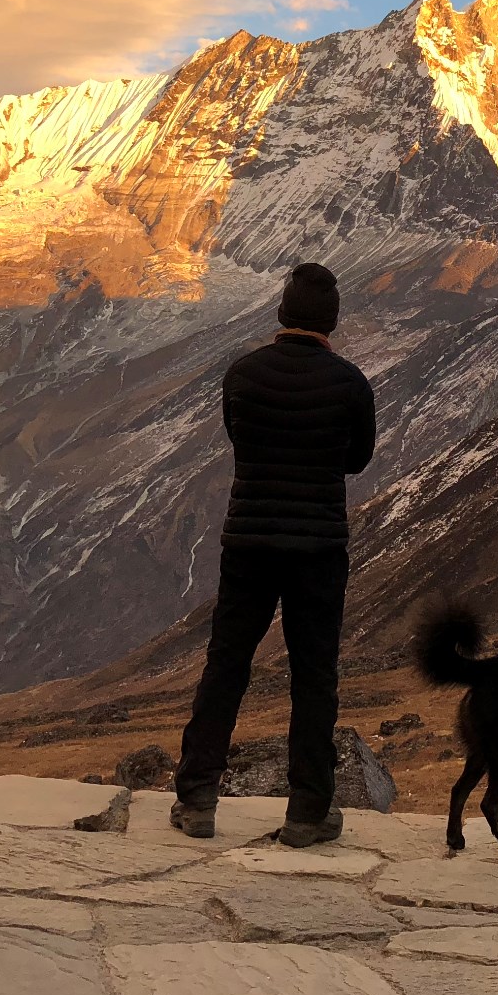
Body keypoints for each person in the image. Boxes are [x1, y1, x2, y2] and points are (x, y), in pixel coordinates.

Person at [171, 262, 376, 846]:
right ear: (331, 320)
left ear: (282, 313)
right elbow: (357, 460)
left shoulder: (244, 375)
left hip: (250, 542)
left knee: (227, 662)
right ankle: (308, 811)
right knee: (314, 675)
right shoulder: (348, 383)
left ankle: (198, 798)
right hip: (317, 547)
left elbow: (241, 440)